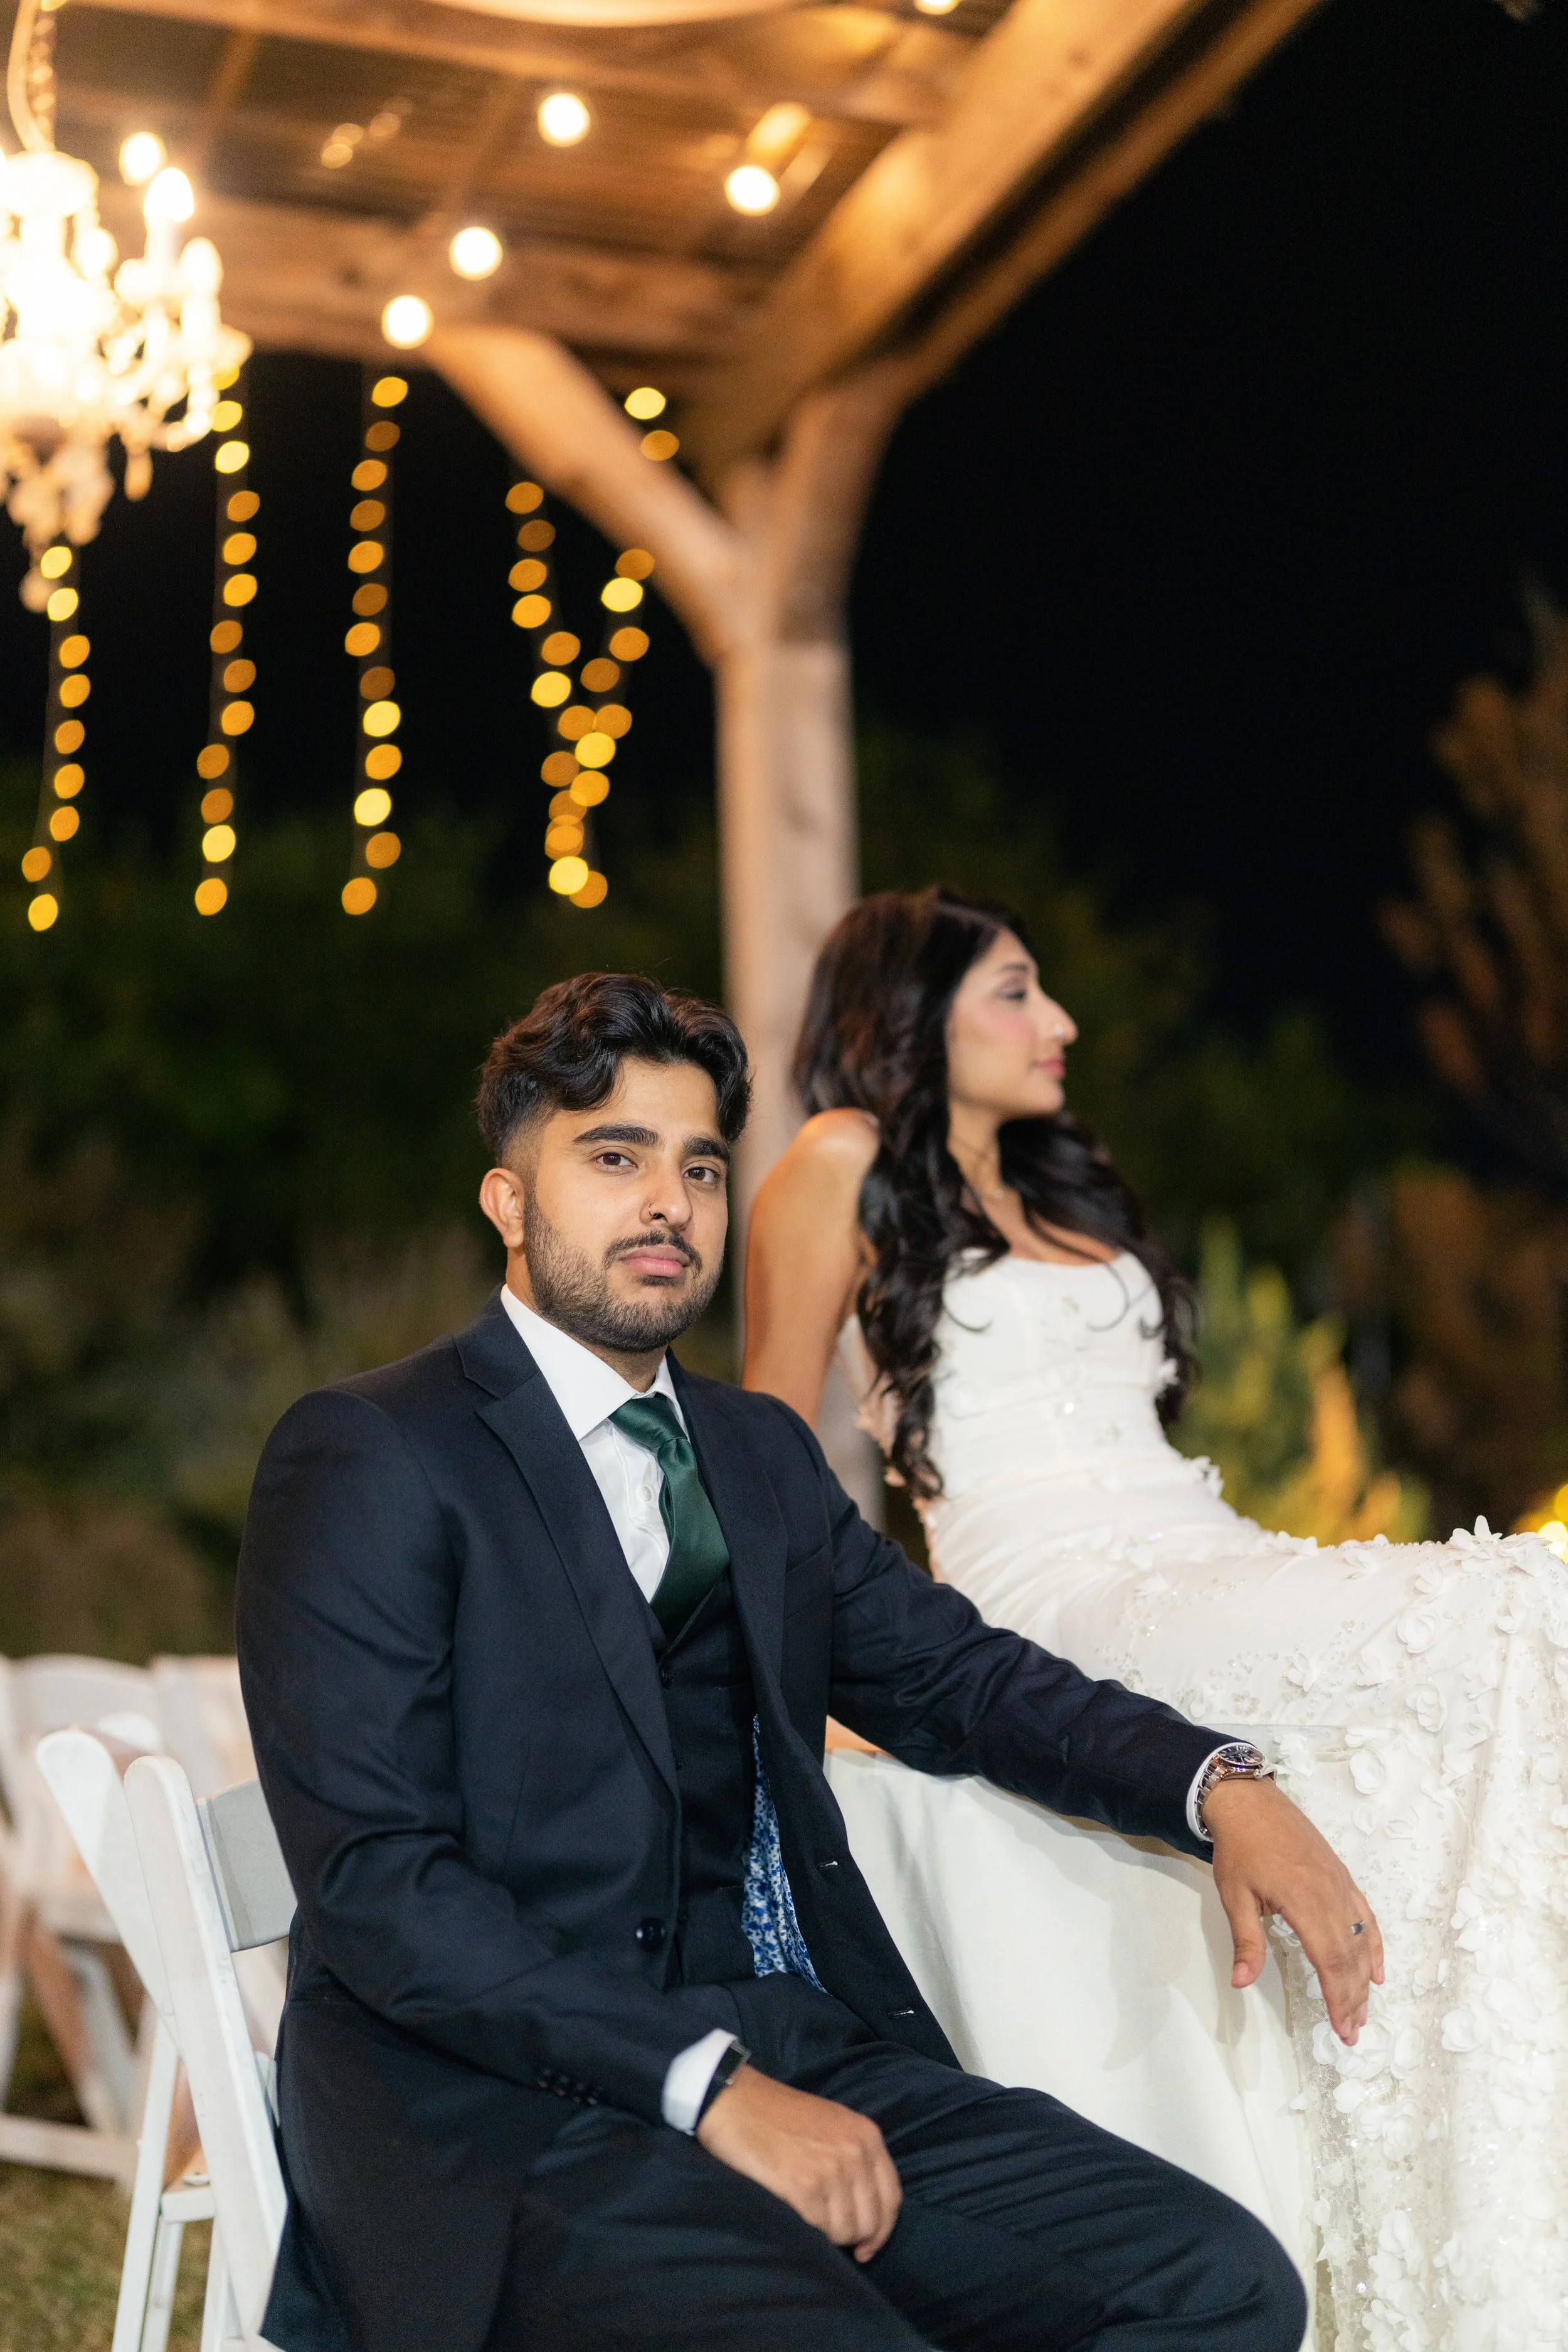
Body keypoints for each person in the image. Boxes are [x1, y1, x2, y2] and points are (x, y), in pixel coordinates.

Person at [233, 970, 1367, 2352]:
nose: (668, 1204)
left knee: (1215, 2284)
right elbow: (377, 1887)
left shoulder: (757, 1456)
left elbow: (959, 1682)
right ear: (508, 1202)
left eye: (699, 1168)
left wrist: (1216, 1785)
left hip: (792, 2047)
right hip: (499, 2112)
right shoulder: (375, 1451)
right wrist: (698, 2081)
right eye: (612, 1158)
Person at [743, 887, 1568, 2352]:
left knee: (1518, 1639)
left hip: (1198, 1550)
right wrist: (788, 1684)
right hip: (1060, 1604)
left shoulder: (1066, 1189)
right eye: (1012, 991)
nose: (1056, 1023)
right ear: (910, 1010)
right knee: (1519, 1602)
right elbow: (762, 1453)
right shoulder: (839, 1162)